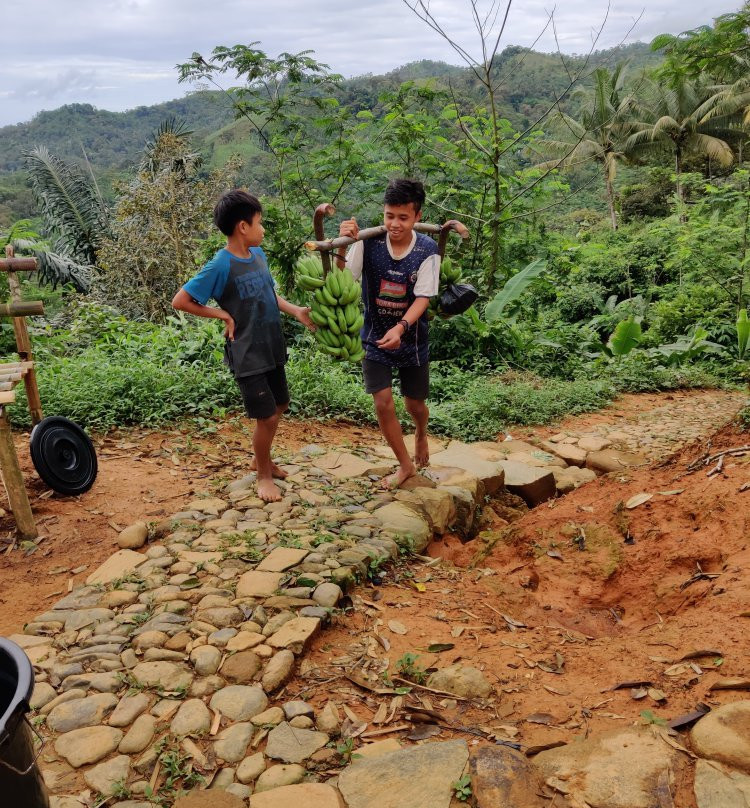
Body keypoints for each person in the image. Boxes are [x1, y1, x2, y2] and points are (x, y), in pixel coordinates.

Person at [172, 189, 314, 502]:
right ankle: (263, 475)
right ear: (243, 227)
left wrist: (296, 312)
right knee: (266, 417)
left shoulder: (258, 256)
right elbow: (181, 300)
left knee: (280, 405)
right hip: (247, 352)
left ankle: (261, 459)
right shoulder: (220, 265)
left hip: (271, 346)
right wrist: (221, 313)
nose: (263, 229)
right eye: (260, 223)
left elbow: (270, 295)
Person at [337, 178, 440, 488]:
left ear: (417, 216)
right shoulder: (368, 242)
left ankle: (421, 432)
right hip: (374, 336)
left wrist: (401, 326)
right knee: (382, 402)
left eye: (403, 218)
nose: (394, 224)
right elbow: (344, 278)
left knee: (414, 405)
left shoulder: (427, 249)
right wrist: (344, 244)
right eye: (389, 216)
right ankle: (405, 465)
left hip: (411, 338)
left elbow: (423, 298)